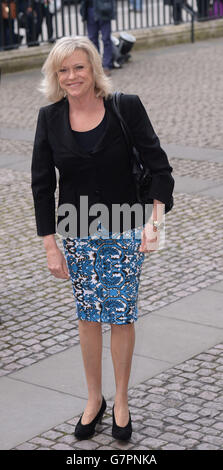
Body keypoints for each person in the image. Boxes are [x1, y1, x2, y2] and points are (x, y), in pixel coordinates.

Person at [31, 36, 174, 441]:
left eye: (78, 67)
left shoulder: (125, 107)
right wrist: (49, 245)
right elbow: (42, 185)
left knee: (120, 315)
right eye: (63, 70)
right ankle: (94, 399)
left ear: (94, 67)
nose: (71, 76)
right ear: (55, 77)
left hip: (126, 226)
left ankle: (122, 400)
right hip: (76, 231)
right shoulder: (50, 117)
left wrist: (154, 222)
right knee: (88, 316)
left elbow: (160, 169)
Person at [80, 0, 115, 76]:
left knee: (106, 39)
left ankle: (106, 66)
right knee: (92, 40)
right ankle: (96, 65)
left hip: (103, 9)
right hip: (89, 9)